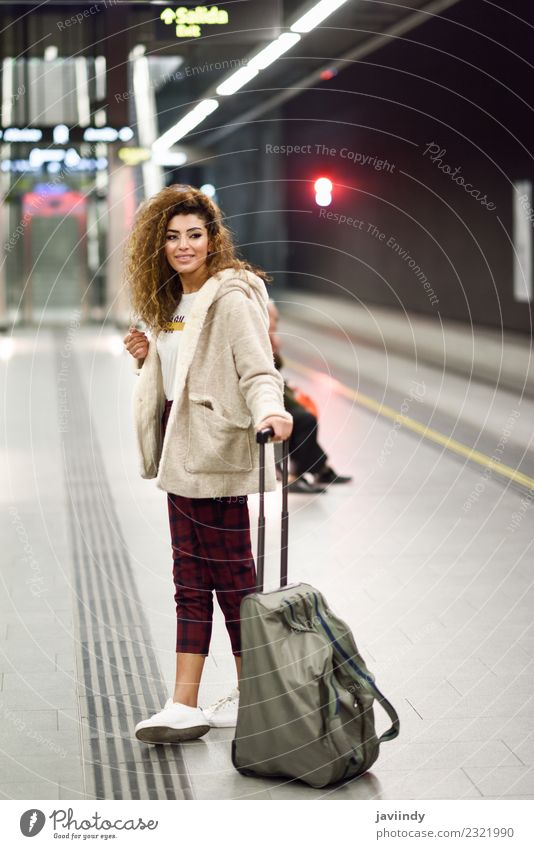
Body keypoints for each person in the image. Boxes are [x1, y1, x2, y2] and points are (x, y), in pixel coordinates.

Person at [123, 185, 293, 743]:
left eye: (194, 235)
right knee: (191, 578)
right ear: (159, 244)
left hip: (216, 452)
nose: (183, 245)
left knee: (233, 579)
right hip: (181, 455)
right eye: (172, 237)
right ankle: (187, 701)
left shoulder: (231, 297)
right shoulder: (169, 303)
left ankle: (254, 697)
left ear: (213, 238)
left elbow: (258, 369)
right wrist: (150, 358)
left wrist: (274, 411)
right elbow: (181, 374)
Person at [267, 300, 353, 492]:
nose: (276, 322)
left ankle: (320, 469)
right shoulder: (259, 337)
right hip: (266, 396)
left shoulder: (269, 337)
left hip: (275, 391)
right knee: (304, 419)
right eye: (274, 318)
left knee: (304, 414)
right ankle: (297, 474)